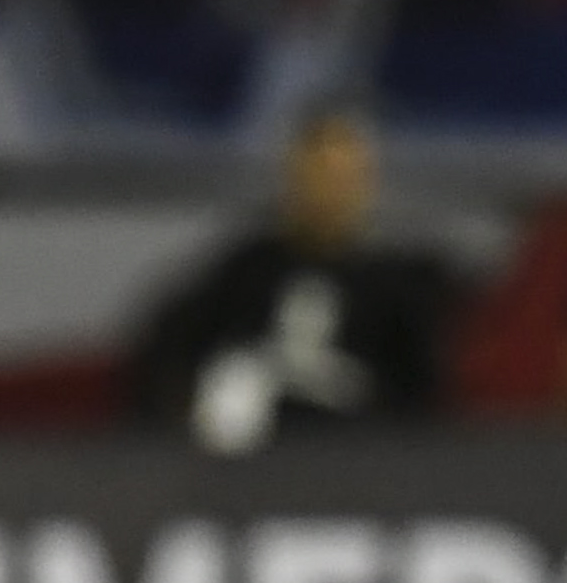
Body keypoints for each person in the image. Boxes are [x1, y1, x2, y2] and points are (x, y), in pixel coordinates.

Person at [130, 106, 455, 453]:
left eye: (342, 176)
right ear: (292, 177)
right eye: (317, 174)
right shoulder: (248, 269)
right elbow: (168, 350)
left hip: (358, 460)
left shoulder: (401, 281)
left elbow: (424, 394)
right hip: (247, 463)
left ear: (367, 180)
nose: (329, 190)